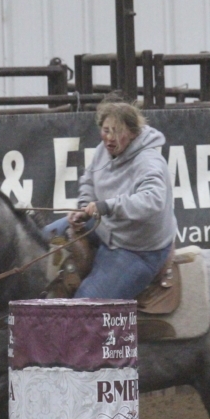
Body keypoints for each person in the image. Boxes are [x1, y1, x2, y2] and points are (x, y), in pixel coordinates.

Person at [44, 96, 177, 300]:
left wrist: (106, 207)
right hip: (105, 226)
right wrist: (83, 208)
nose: (109, 138)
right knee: (39, 240)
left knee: (86, 304)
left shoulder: (148, 162)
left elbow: (153, 201)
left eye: (117, 132)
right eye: (106, 131)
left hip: (138, 249)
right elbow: (89, 179)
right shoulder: (103, 150)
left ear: (133, 133)